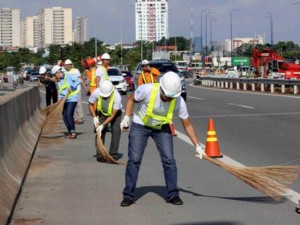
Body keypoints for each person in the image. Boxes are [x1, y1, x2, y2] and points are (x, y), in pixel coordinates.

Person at [119, 71, 205, 207]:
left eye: (172, 97)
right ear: (160, 88)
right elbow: (130, 99)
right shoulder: (147, 90)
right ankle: (128, 195)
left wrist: (197, 145)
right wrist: (126, 117)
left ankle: (172, 194)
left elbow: (187, 124)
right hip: (140, 126)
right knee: (134, 160)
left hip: (162, 129)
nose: (169, 99)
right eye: (167, 96)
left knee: (169, 160)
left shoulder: (178, 101)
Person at [88, 80, 122, 160]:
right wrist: (95, 117)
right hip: (102, 112)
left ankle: (113, 154)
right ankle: (100, 153)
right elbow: (90, 104)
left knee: (116, 131)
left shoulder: (117, 96)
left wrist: (103, 125)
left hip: (115, 114)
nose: (105, 97)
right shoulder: (96, 92)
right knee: (99, 132)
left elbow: (113, 115)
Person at [51, 65, 81, 139]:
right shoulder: (59, 81)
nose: (55, 77)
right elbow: (61, 91)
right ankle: (70, 131)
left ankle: (73, 132)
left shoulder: (68, 75)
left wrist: (72, 86)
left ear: (58, 72)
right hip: (65, 99)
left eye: (55, 75)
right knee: (64, 116)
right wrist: (59, 99)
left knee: (68, 114)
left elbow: (78, 80)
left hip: (72, 99)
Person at [64, 59, 87, 124]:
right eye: (67, 65)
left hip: (77, 90)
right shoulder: (65, 72)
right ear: (65, 66)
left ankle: (80, 118)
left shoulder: (75, 71)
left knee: (78, 104)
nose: (69, 66)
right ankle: (73, 118)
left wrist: (85, 87)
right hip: (69, 91)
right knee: (71, 105)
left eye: (70, 64)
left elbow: (80, 79)